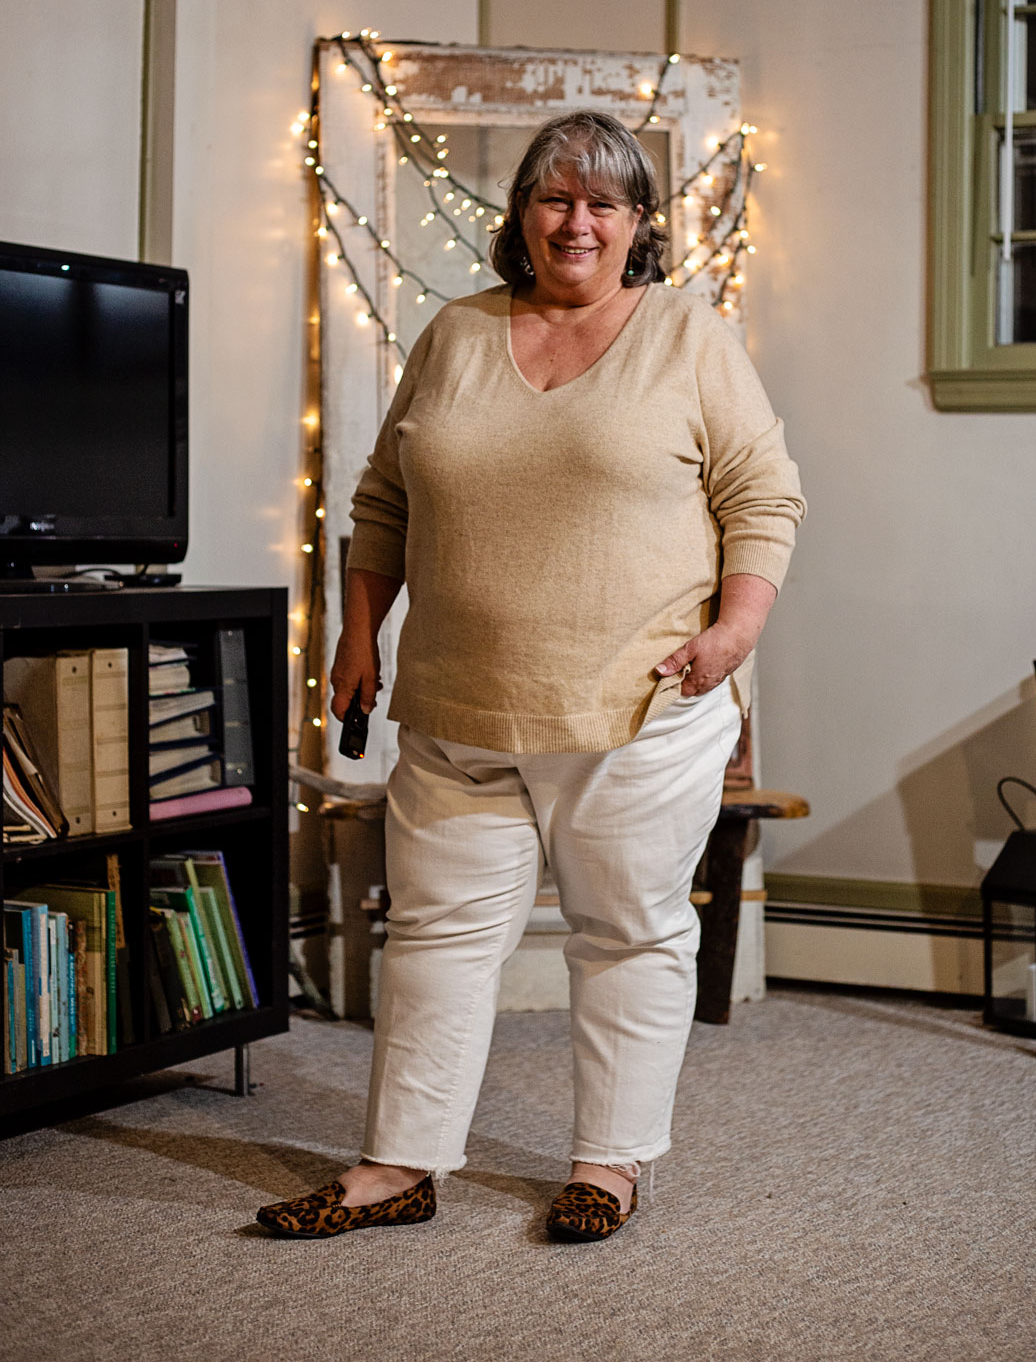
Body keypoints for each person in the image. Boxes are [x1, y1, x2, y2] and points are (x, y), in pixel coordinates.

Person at [256, 109, 805, 1244]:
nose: (576, 222)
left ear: (639, 223)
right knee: (436, 939)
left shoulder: (687, 336)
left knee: (628, 933)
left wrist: (734, 633)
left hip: (639, 706)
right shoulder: (455, 333)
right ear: (519, 214)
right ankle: (398, 1165)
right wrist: (359, 637)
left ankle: (608, 1165)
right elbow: (383, 500)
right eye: (554, 197)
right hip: (458, 703)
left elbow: (762, 495)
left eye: (603, 201)